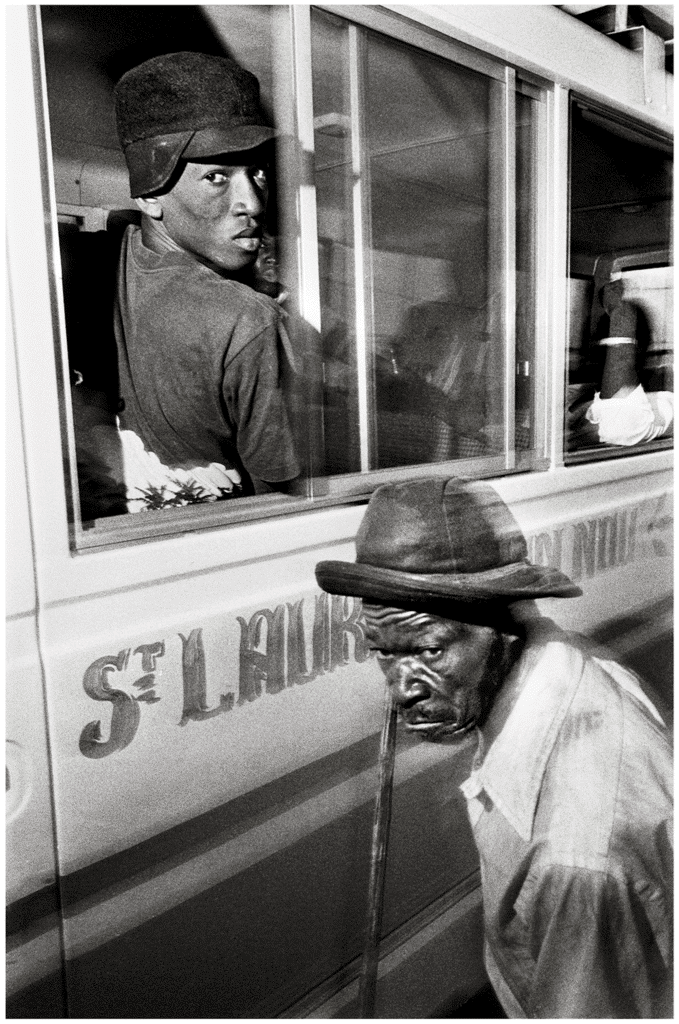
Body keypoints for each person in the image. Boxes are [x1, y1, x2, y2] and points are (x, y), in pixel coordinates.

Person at [315, 475, 672, 1018]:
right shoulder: (566, 662)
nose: (401, 687)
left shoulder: (576, 857)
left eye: (431, 651)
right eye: (384, 652)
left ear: (501, 628)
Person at [107, 50, 300, 508]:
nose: (252, 203)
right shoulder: (247, 319)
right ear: (151, 195)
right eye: (216, 176)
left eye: (257, 173)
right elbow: (283, 505)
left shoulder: (111, 260)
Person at [568, 267, 673, 449]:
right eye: (599, 343)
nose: (601, 354)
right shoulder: (574, 395)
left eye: (609, 345)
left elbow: (621, 427)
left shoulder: (664, 405)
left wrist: (619, 312)